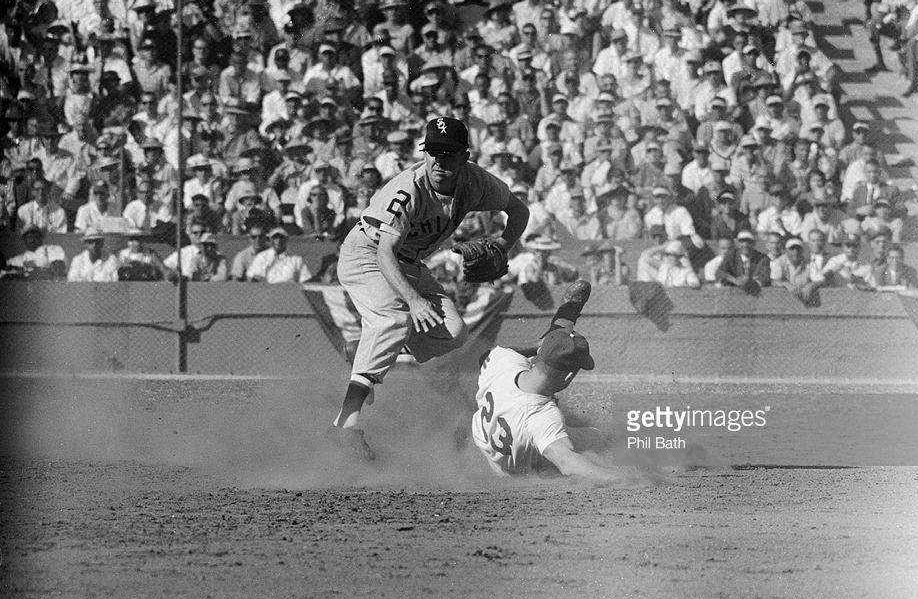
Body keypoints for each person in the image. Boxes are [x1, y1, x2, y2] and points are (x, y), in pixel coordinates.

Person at [330, 116, 530, 460]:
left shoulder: (478, 184)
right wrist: (413, 300)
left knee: (454, 332)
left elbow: (519, 211)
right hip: (367, 252)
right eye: (432, 152)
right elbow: (384, 253)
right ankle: (345, 424)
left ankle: (362, 348)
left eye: (448, 153)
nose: (439, 160)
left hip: (408, 262)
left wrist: (502, 246)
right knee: (394, 319)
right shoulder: (407, 189)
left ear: (464, 156)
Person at [471, 280, 639, 484]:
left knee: (541, 353)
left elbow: (489, 356)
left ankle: (567, 312)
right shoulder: (543, 417)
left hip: (486, 442)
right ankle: (668, 449)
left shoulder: (501, 361)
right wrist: (617, 477)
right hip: (520, 470)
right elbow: (567, 462)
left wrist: (542, 345)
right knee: (600, 439)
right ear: (569, 377)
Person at [246, 227, 313, 283]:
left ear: (286, 239)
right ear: (271, 240)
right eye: (275, 237)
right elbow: (251, 277)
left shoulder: (296, 260)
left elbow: (306, 280)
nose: (278, 240)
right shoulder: (261, 257)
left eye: (281, 237)